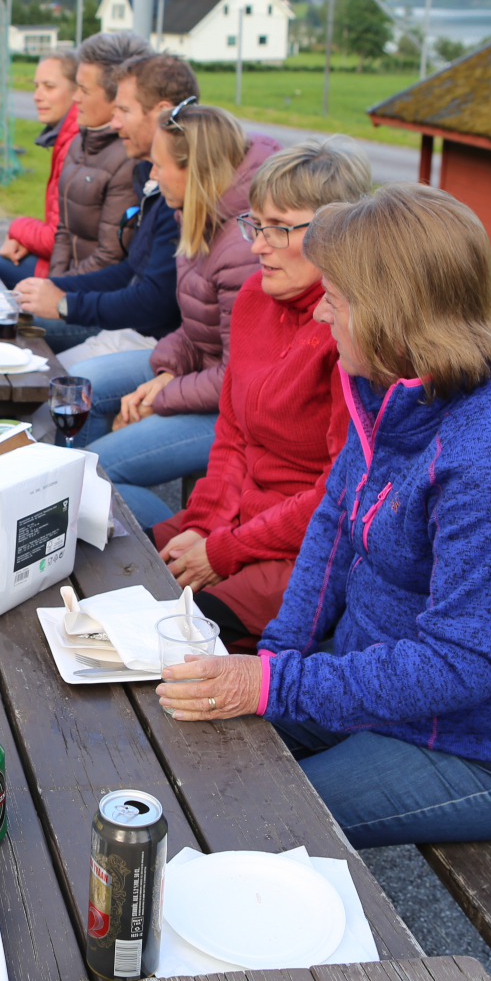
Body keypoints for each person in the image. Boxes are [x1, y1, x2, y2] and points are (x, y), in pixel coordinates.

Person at [158, 184, 491, 849]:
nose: (321, 317)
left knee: (247, 821)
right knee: (182, 743)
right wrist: (279, 656)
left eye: (335, 300)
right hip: (384, 684)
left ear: (388, 312)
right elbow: (333, 528)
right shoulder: (391, 391)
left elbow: (459, 663)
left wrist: (275, 684)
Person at [149, 140, 374, 652]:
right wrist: (203, 526)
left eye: (279, 228)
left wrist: (223, 551)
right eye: (256, 224)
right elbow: (233, 433)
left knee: (173, 639)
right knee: (115, 564)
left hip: (298, 548)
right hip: (234, 522)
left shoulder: (349, 335)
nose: (257, 246)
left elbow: (335, 496)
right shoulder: (255, 297)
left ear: (338, 234)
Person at [67, 104, 278, 517]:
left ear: (194, 170)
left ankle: (168, 543)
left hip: (234, 409)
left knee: (96, 473)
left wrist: (163, 398)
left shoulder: (241, 249)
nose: (152, 175)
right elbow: (198, 325)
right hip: (202, 375)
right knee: (82, 386)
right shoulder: (197, 215)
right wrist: (167, 371)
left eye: (160, 165)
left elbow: (238, 376)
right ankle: (77, 515)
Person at [14, 52, 198, 358]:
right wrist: (54, 287)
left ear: (162, 113)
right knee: (12, 322)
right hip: (131, 327)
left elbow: (155, 300)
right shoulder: (148, 174)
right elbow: (130, 269)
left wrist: (64, 302)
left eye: (123, 110)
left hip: (155, 342)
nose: (115, 122)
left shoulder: (177, 189)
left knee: (41, 367)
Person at [49, 31, 151, 277]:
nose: (75, 98)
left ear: (118, 98)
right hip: (70, 284)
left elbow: (110, 257)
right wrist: (52, 282)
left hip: (93, 290)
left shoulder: (130, 159)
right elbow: (64, 230)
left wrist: (56, 290)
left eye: (84, 90)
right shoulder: (80, 140)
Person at [0, 49, 79, 287]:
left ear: (77, 91)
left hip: (67, 276)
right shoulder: (67, 138)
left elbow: (56, 240)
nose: (37, 96)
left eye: (49, 87)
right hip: (62, 265)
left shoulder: (76, 145)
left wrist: (18, 228)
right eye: (36, 86)